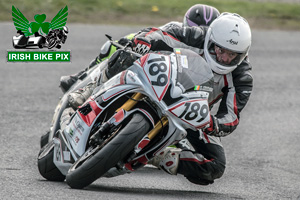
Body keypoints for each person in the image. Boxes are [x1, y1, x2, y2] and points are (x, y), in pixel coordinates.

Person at [130, 12, 253, 185]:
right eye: (221, 50)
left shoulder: (242, 78)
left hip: (191, 113)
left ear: (242, 54)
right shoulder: (197, 36)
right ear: (211, 40)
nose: (224, 58)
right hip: (157, 85)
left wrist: (213, 124)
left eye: (232, 55)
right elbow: (161, 34)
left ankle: (157, 155)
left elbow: (231, 117)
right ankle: (90, 90)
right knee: (124, 55)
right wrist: (145, 40)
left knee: (216, 166)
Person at [59, 4, 220, 93]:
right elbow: (151, 35)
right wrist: (138, 43)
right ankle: (82, 77)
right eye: (195, 29)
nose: (198, 34)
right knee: (113, 45)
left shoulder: (217, 56)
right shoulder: (175, 28)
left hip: (177, 85)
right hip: (152, 65)